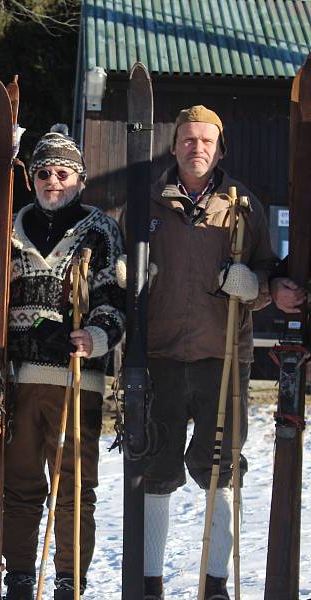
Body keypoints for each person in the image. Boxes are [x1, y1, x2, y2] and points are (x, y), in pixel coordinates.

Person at [131, 106, 277, 600]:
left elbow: (269, 277)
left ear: (220, 148)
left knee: (223, 470)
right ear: (174, 146)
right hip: (161, 356)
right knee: (156, 467)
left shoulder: (244, 207)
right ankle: (150, 583)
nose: (197, 148)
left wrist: (252, 286)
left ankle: (214, 585)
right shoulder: (146, 202)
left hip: (224, 357)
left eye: (206, 141)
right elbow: (120, 269)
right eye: (188, 140)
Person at [0, 126, 125, 600]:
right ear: (32, 179)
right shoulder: (10, 228)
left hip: (79, 381)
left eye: (64, 173)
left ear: (80, 179)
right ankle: (19, 576)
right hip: (21, 380)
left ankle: (70, 579)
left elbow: (114, 296)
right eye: (45, 173)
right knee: (22, 485)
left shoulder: (100, 228)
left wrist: (94, 336)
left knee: (74, 489)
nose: (54, 182)